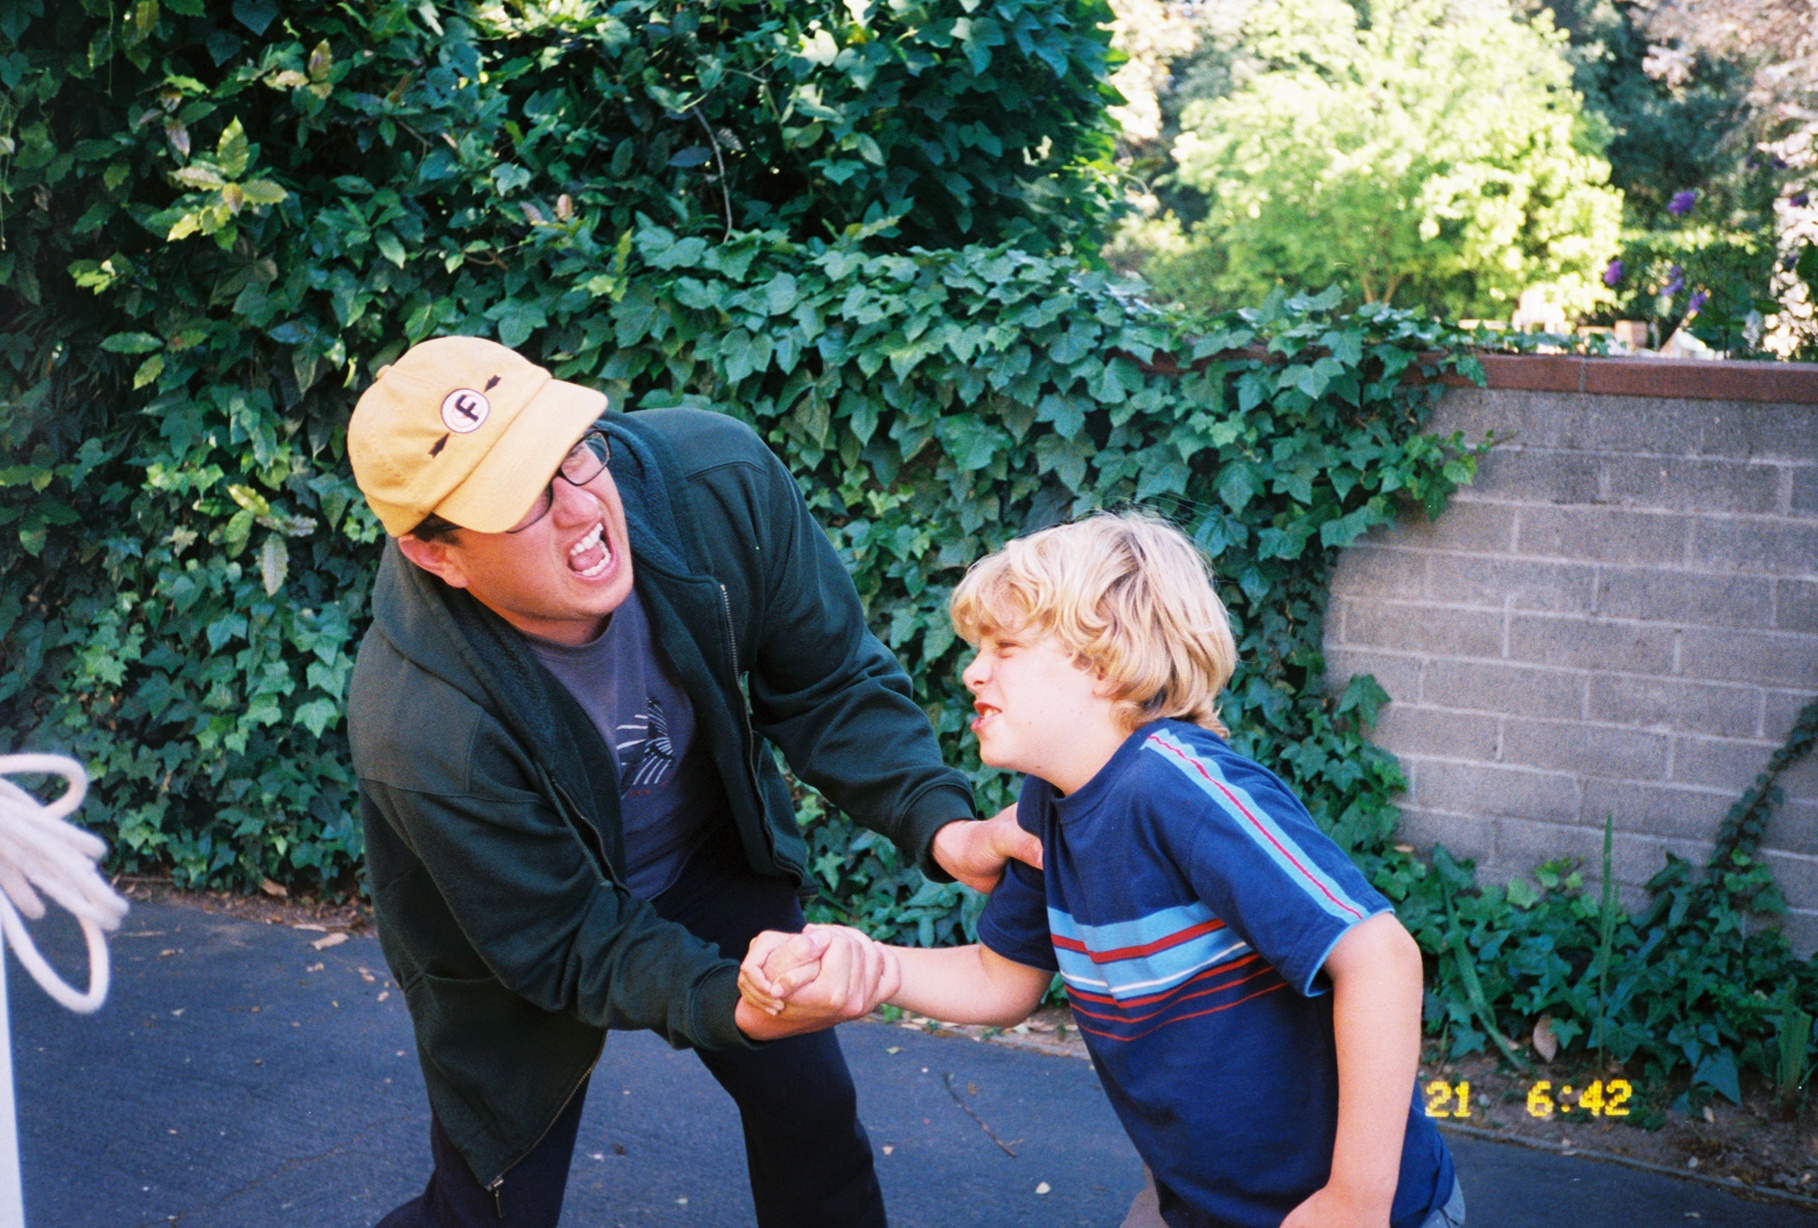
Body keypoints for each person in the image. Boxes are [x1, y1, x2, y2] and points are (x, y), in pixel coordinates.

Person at [343, 335, 1039, 1228]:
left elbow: (827, 682)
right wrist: (729, 1005)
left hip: (707, 861)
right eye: (520, 501)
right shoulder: (422, 726)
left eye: (571, 456)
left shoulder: (716, 483)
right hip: (521, 945)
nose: (580, 511)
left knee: (811, 1113)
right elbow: (568, 940)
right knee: (490, 1204)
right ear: (436, 553)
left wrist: (949, 830)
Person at [744, 510, 1464, 1228]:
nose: (972, 669)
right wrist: (867, 965)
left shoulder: (1177, 786)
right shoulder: (1048, 804)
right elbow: (1003, 979)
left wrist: (1355, 1201)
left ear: (1101, 661)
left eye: (1005, 646)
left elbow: (1381, 956)